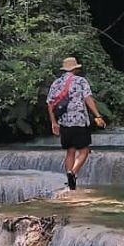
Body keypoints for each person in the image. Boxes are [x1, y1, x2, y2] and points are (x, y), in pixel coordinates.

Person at [46, 57, 105, 189]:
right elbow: (88, 98)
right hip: (79, 121)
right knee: (84, 150)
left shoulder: (56, 83)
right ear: (75, 68)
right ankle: (73, 172)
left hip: (64, 122)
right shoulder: (80, 81)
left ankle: (70, 181)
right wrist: (98, 115)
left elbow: (50, 104)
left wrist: (53, 123)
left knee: (70, 151)